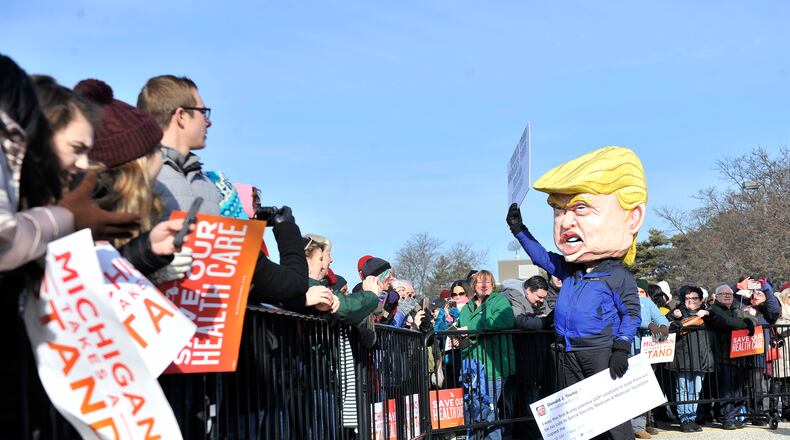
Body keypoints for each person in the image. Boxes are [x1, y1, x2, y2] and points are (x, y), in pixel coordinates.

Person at [507, 146, 644, 440]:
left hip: (599, 352)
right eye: (560, 210)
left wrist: (620, 348)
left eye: (580, 208)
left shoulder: (617, 275)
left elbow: (632, 314)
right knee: (577, 422)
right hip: (567, 352)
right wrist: (520, 230)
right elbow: (541, 257)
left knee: (613, 418)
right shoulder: (571, 270)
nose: (567, 221)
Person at [74, 78, 191, 278]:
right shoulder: (82, 218)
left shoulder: (107, 204)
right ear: (140, 162)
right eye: (158, 150)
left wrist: (148, 252)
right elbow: (85, 283)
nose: (162, 160)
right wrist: (154, 273)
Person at [136, 75, 221, 216]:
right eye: (203, 112)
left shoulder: (208, 184)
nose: (208, 122)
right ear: (181, 115)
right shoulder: (137, 175)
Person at [458, 270, 515, 440]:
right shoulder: (467, 307)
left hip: (493, 366)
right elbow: (464, 328)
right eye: (480, 282)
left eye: (488, 282)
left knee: (488, 409)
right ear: (473, 286)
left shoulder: (500, 300)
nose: (484, 285)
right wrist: (458, 338)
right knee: (475, 409)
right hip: (471, 366)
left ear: (493, 285)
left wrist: (471, 330)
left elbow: (504, 320)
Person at [702, 285, 758, 430]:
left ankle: (735, 416)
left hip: (739, 355)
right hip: (722, 355)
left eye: (729, 294)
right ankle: (727, 418)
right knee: (726, 389)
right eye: (723, 294)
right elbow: (724, 322)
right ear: (716, 296)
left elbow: (754, 320)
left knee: (738, 389)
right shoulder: (713, 310)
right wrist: (745, 324)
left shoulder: (735, 309)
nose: (727, 296)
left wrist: (749, 322)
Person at [667, 286, 713, 433]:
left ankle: (692, 417)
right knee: (683, 389)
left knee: (696, 389)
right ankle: (684, 418)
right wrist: (674, 316)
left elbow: (720, 320)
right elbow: (668, 324)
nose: (691, 301)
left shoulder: (708, 314)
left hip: (701, 357)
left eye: (694, 298)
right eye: (687, 298)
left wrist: (707, 314)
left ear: (701, 300)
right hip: (682, 357)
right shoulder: (677, 312)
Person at [631, 278, 669, 439]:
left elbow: (661, 318)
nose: (638, 295)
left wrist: (663, 327)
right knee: (635, 389)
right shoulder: (626, 302)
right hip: (631, 349)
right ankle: (636, 425)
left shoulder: (648, 303)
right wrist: (649, 325)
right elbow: (632, 319)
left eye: (641, 291)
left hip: (648, 350)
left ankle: (647, 422)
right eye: (636, 291)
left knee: (647, 388)